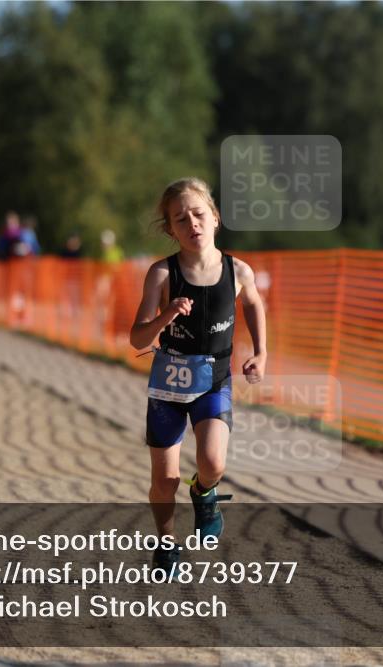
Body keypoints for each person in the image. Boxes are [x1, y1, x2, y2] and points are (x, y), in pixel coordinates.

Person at [130, 177, 267, 575]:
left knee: (213, 462)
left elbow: (255, 305)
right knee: (164, 479)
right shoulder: (161, 273)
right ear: (170, 229)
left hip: (215, 379)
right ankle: (166, 542)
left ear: (215, 218)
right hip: (168, 386)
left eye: (198, 214)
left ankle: (204, 494)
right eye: (180, 219)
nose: (192, 223)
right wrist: (167, 315)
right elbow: (136, 336)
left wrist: (261, 353)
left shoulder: (238, 270)